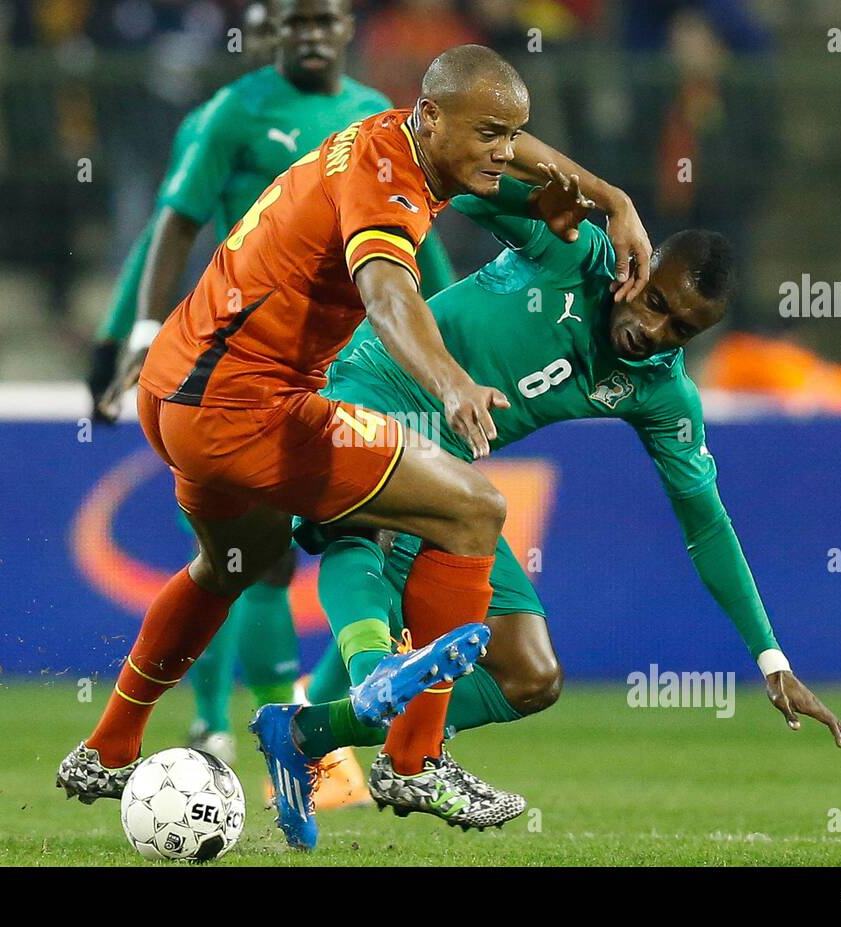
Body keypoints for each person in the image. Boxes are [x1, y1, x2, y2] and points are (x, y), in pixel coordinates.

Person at [58, 43, 653, 852]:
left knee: (231, 562)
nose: (506, 153)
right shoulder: (386, 183)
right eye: (489, 134)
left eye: (513, 133)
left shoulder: (396, 134)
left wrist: (609, 195)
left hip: (177, 390)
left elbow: (516, 151)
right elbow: (386, 291)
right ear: (432, 118)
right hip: (246, 406)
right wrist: (448, 381)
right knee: (474, 511)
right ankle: (414, 760)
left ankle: (109, 744)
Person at [271, 172, 841, 828]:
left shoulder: (663, 396)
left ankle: (308, 734)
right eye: (656, 300)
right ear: (640, 265)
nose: (655, 328)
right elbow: (459, 187)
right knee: (375, 523)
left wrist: (771, 658)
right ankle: (392, 710)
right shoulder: (572, 251)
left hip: (449, 467)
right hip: (378, 378)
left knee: (531, 675)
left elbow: (707, 526)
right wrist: (540, 198)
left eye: (681, 329)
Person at [83, 0, 455, 808]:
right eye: (295, 22)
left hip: (334, 364)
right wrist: (130, 333)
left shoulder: (374, 120)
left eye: (325, 19)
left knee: (272, 554)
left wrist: (451, 345)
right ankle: (236, 725)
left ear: (348, 27)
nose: (312, 34)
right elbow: (170, 227)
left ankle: (277, 736)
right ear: (268, 32)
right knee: (262, 558)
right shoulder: (234, 113)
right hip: (232, 360)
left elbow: (416, 247)